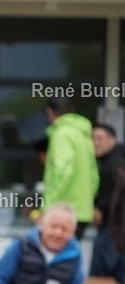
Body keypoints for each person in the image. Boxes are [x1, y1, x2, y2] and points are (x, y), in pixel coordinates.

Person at [42, 97, 99, 239]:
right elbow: (94, 175)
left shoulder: (62, 134)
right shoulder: (83, 134)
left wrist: (48, 206)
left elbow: (63, 171)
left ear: (50, 112)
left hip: (63, 212)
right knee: (70, 255)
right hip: (82, 211)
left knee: (56, 256)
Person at [92, 123, 125, 229]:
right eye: (93, 139)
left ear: (112, 140)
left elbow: (119, 190)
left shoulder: (116, 162)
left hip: (114, 223)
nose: (95, 143)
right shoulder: (105, 161)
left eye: (99, 139)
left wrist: (101, 209)